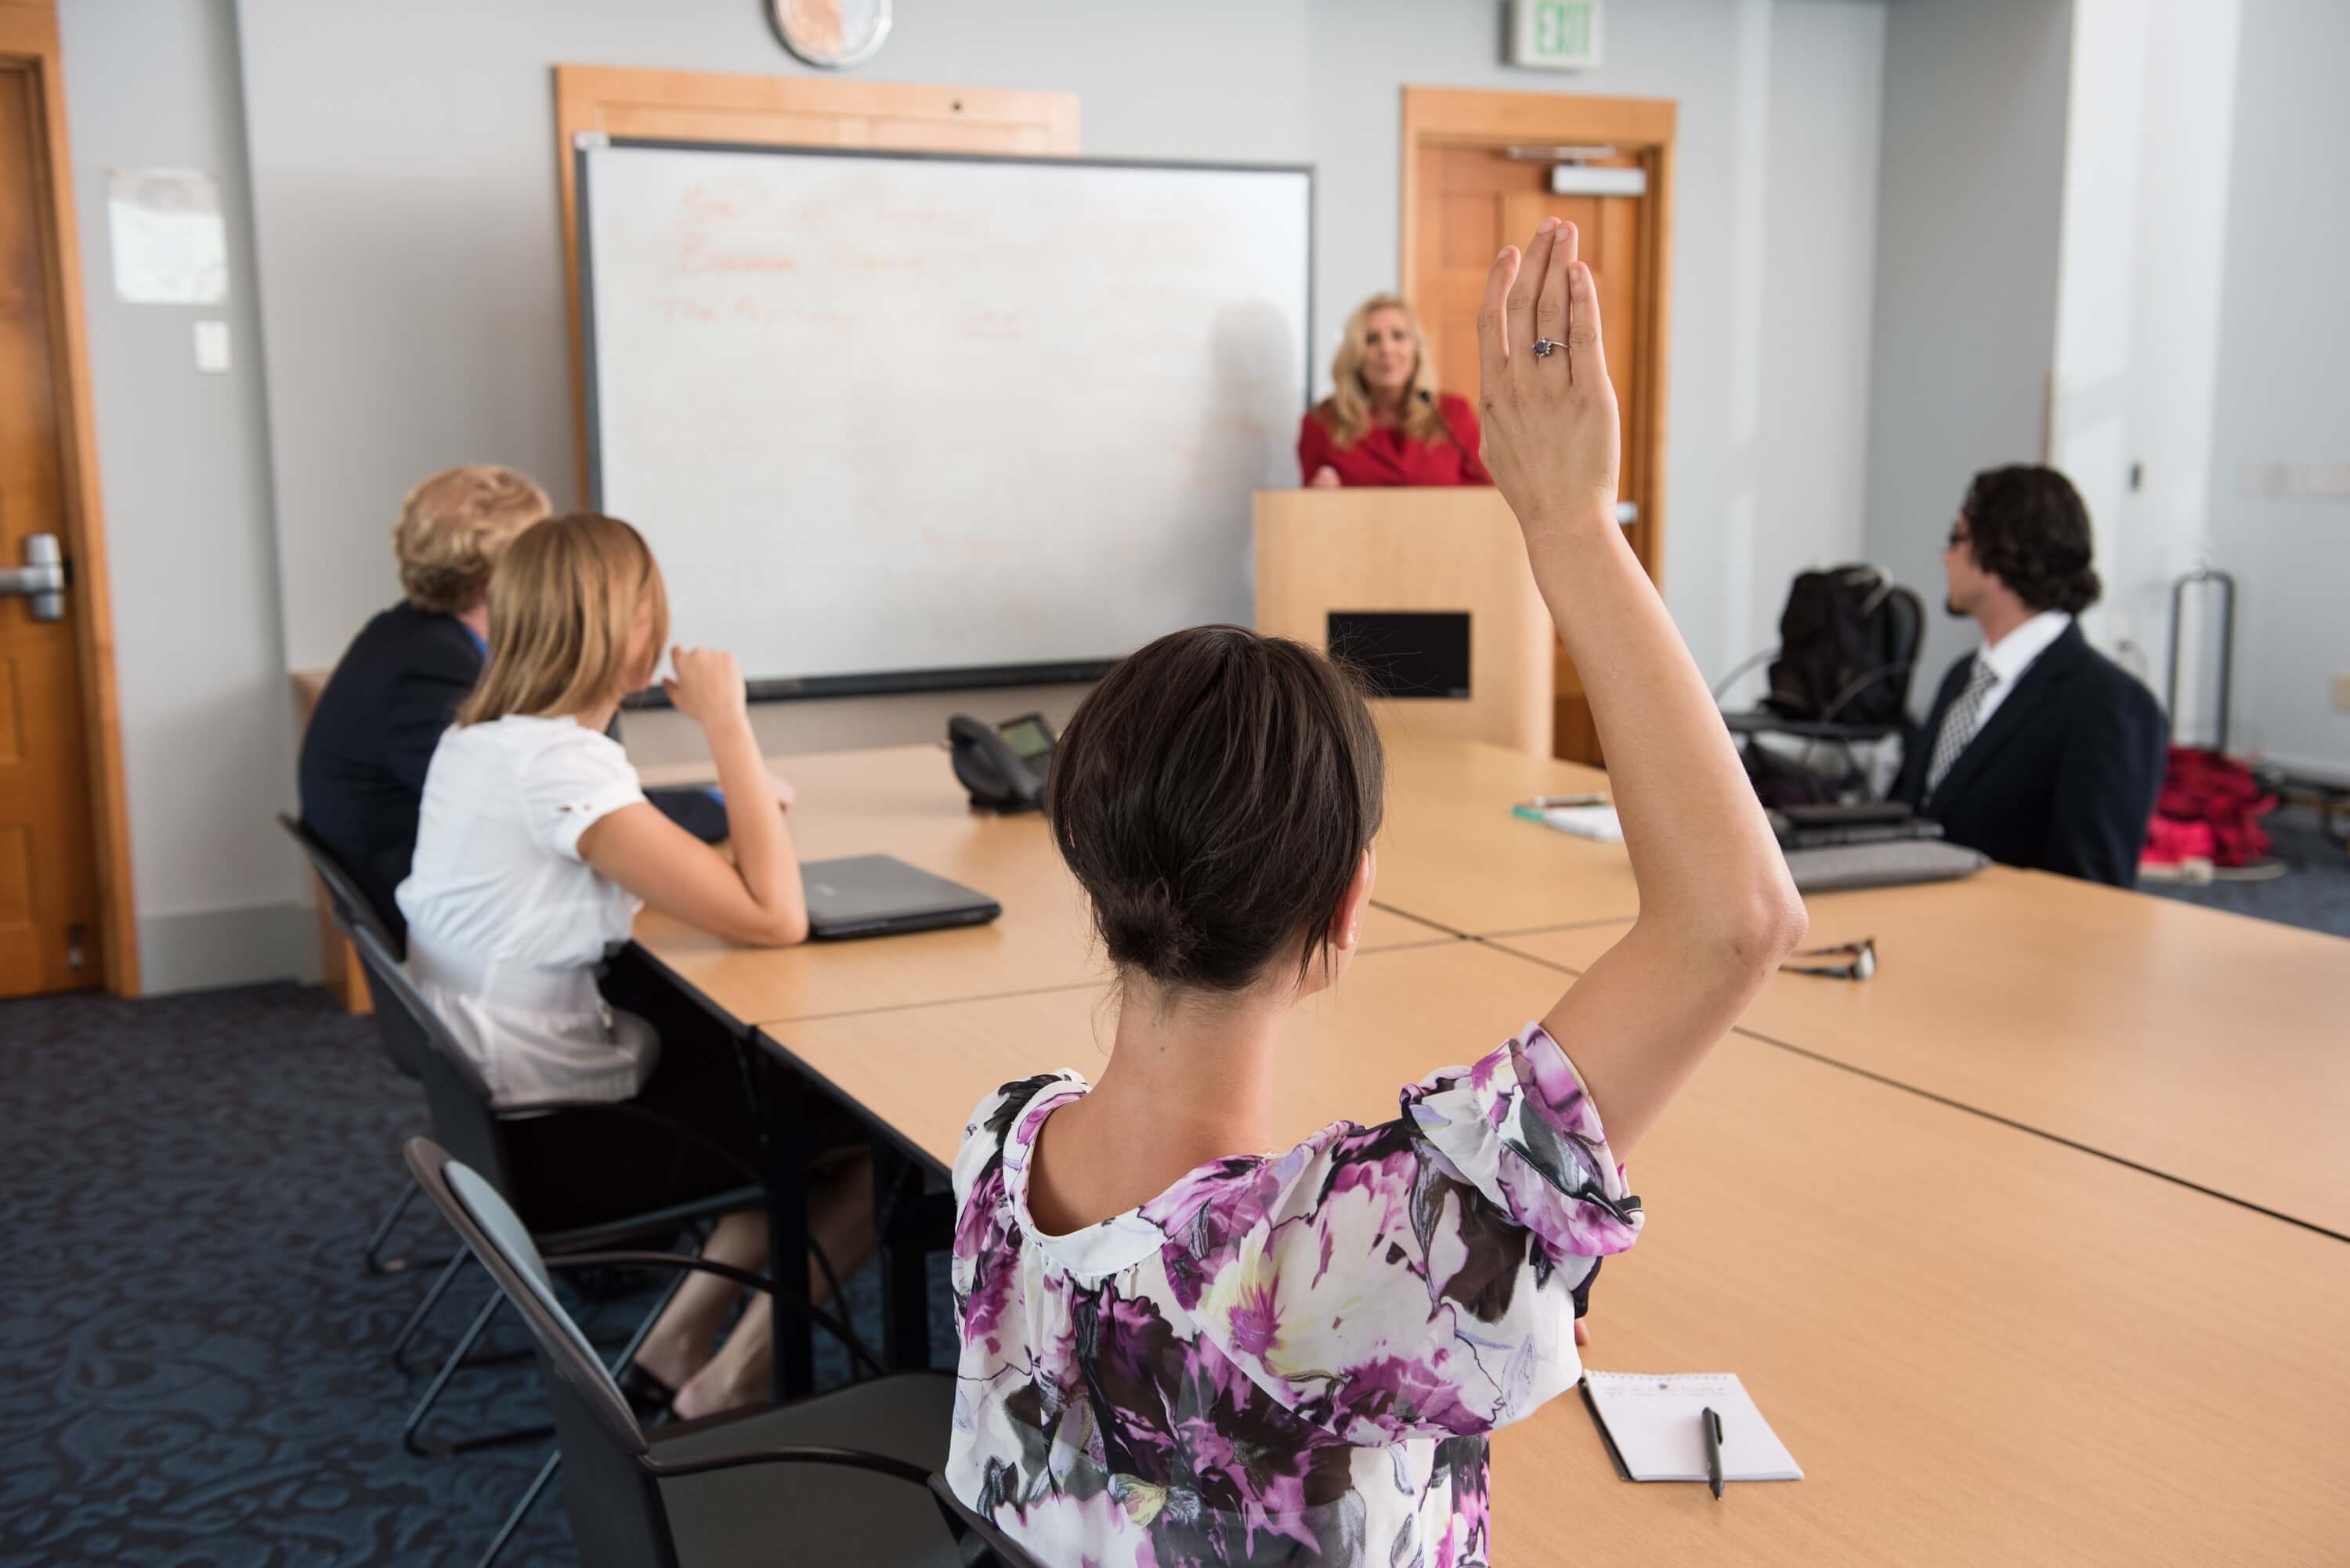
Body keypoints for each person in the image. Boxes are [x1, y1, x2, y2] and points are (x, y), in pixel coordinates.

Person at [949, 220, 1806, 1565]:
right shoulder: (1345, 1263)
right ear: (1346, 909)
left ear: (1087, 858)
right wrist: (1571, 522)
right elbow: (1735, 918)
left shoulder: (997, 1148)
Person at [396, 512, 866, 1420]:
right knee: (852, 1137)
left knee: (770, 1085)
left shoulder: (482, 736)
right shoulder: (560, 765)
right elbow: (776, 918)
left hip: (490, 1112)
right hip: (554, 1140)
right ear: (631, 627)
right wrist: (728, 724)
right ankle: (735, 1380)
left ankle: (676, 1340)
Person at [296, 464, 733, 944]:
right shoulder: (433, 676)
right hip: (448, 922)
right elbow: (560, 801)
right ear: (502, 577)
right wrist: (717, 802)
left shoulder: (412, 634)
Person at [1892, 465, 2167, 887]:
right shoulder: (1962, 676)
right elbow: (1912, 815)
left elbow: (2092, 887)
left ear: (2000, 549)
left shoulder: (2111, 705)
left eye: (1956, 538)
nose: (1946, 556)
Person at [1297, 294, 1493, 488]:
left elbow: (1483, 493)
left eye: (1398, 336)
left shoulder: (1453, 414)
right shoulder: (1321, 422)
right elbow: (1308, 509)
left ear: (1416, 349)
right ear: (1353, 353)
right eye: (1372, 339)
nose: (1387, 349)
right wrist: (1320, 496)